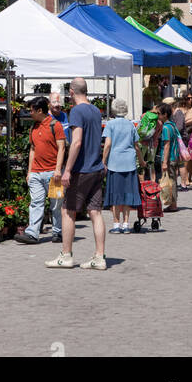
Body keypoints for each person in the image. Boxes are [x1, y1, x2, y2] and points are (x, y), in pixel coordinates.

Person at [46, 78, 106, 271]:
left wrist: (68, 169)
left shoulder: (77, 111)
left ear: (71, 92)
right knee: (95, 212)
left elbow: (77, 142)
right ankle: (99, 256)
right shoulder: (96, 111)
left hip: (82, 169)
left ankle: (66, 255)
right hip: (96, 168)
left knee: (67, 210)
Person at [15, 96, 66, 245]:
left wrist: (58, 170)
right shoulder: (34, 127)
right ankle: (32, 233)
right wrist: (30, 171)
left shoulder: (55, 125)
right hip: (36, 173)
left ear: (39, 110)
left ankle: (57, 232)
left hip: (53, 173)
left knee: (56, 204)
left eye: (31, 110)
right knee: (36, 202)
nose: (29, 113)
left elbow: (62, 148)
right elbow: (32, 149)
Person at [102, 99, 141, 233]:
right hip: (129, 162)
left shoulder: (110, 124)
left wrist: (103, 161)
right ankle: (126, 224)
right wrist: (141, 161)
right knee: (127, 194)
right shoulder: (131, 125)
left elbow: (107, 144)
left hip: (115, 163)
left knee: (115, 195)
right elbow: (137, 146)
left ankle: (116, 224)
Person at [158, 103, 181, 210]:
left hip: (169, 158)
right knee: (173, 180)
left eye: (159, 113)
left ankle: (173, 204)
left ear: (165, 114)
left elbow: (167, 146)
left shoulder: (166, 128)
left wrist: (164, 162)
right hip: (174, 156)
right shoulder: (172, 125)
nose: (158, 115)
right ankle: (173, 203)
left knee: (170, 181)